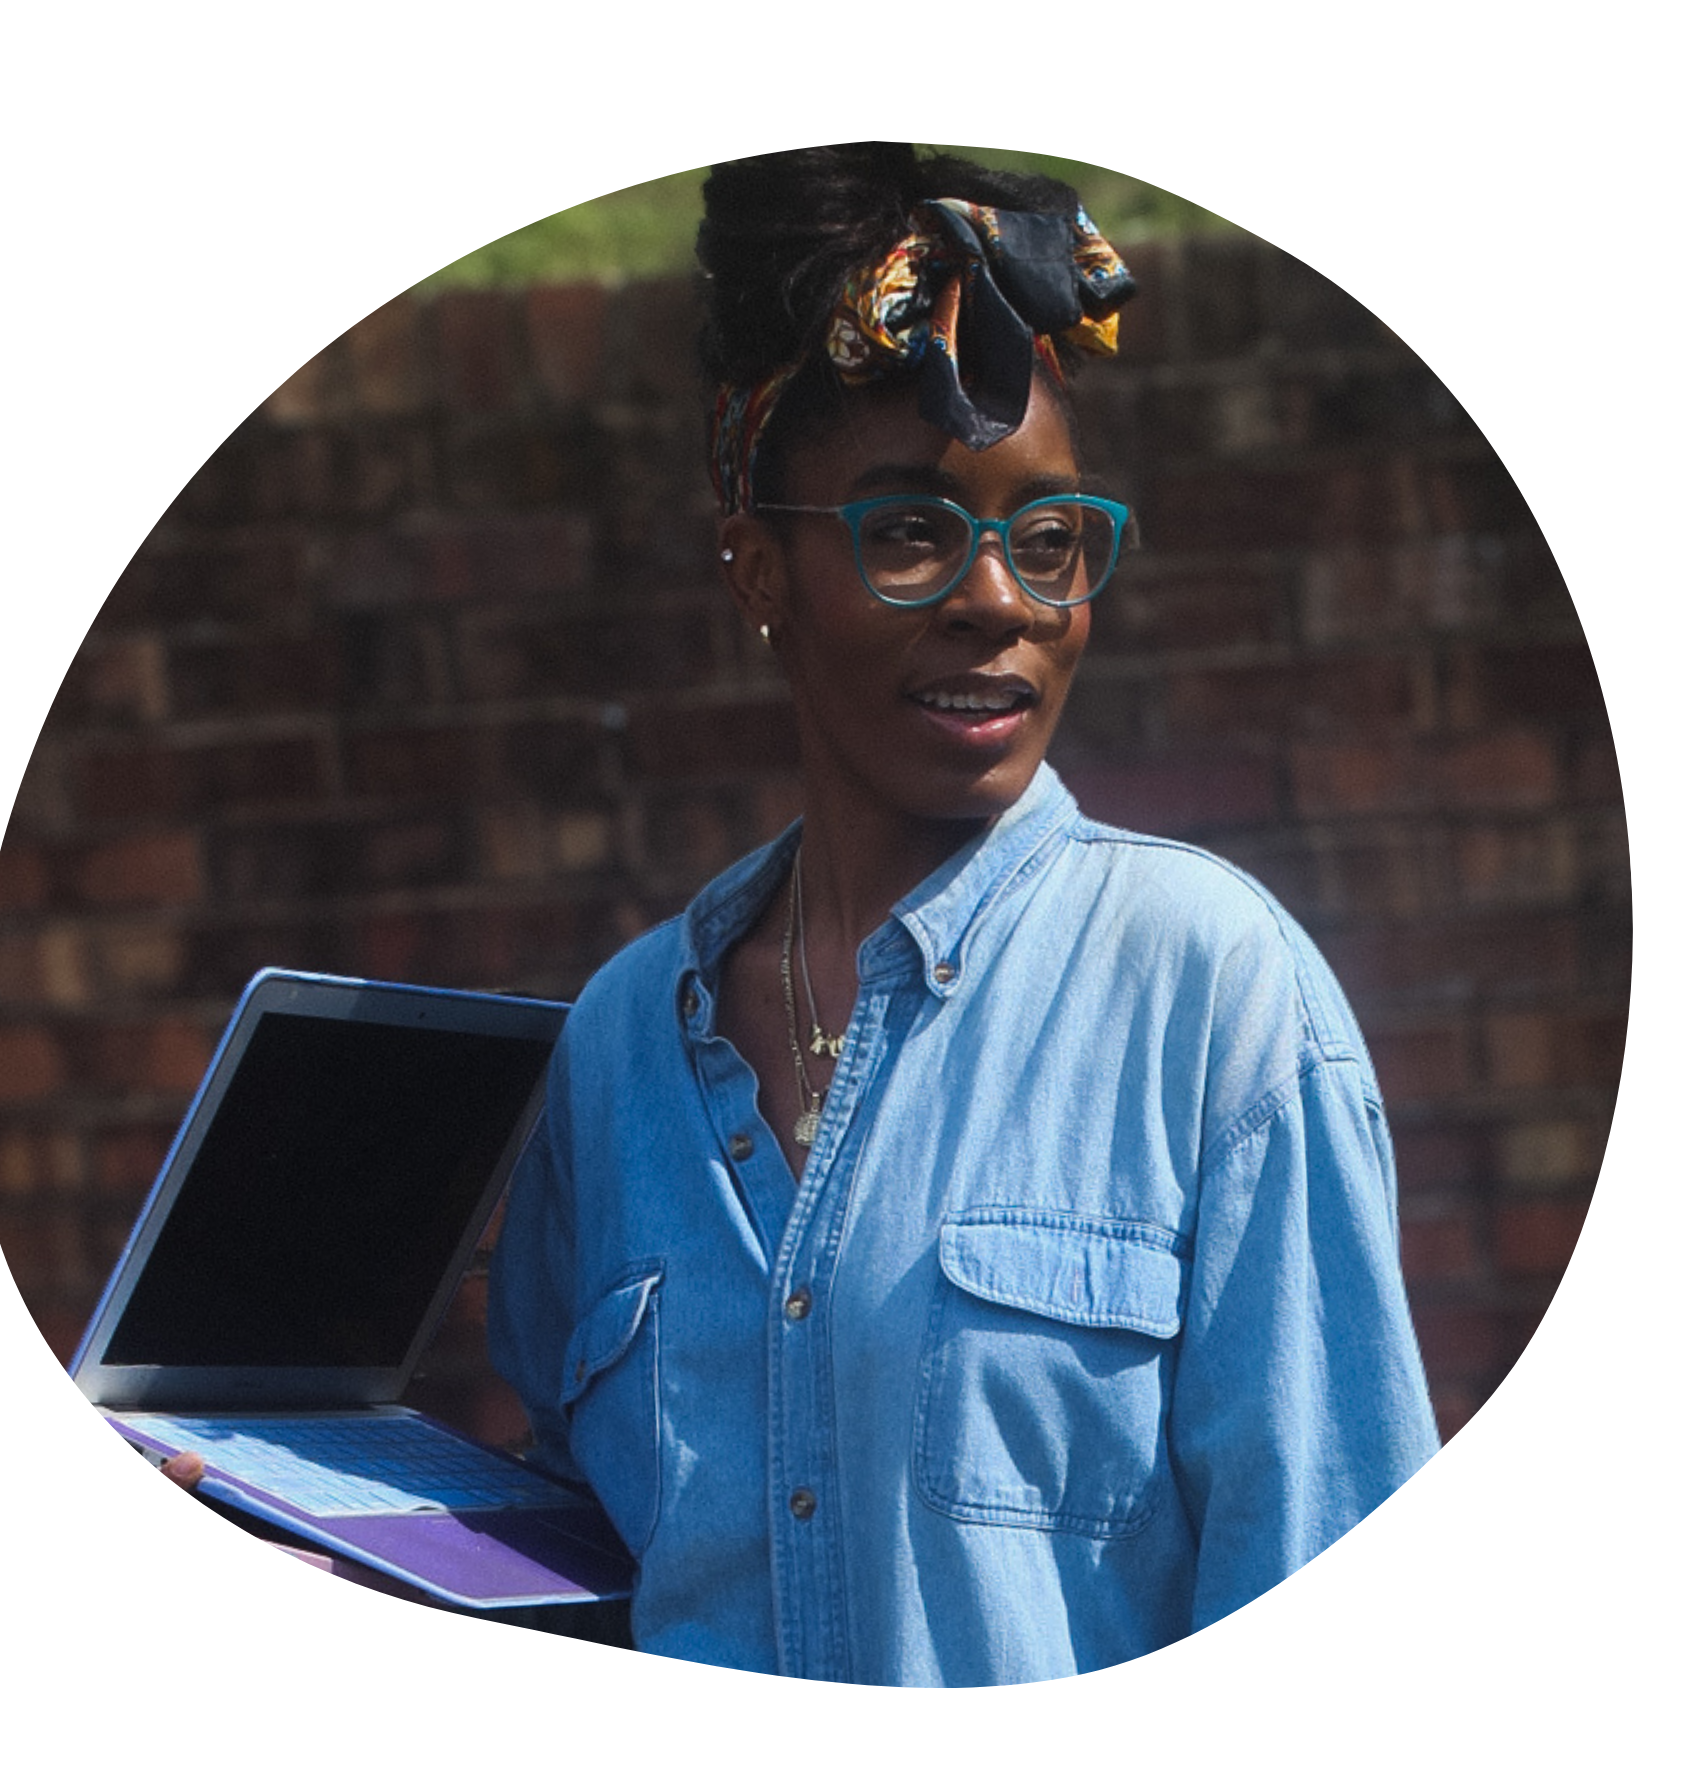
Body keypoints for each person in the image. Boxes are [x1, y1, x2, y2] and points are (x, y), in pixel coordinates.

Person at [479, 145, 1441, 1684]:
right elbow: (583, 1564)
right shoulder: (618, 1050)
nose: (998, 598)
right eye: (911, 531)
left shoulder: (1207, 990)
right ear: (758, 566)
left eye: (1047, 538)